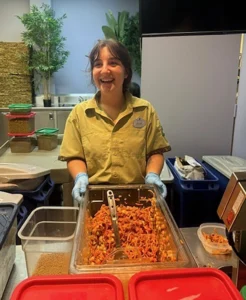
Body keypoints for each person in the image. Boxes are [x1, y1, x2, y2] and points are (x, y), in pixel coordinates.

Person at [59, 39, 171, 203]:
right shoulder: (79, 114)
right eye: (98, 64)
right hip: (94, 202)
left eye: (113, 63)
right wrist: (80, 177)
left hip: (137, 202)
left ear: (126, 72)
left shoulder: (145, 111)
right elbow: (74, 156)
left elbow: (155, 152)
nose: (104, 70)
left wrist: (153, 175)